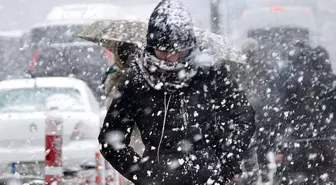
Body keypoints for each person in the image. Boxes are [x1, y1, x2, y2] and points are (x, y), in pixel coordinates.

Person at [98, 0, 256, 185]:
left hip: (209, 178)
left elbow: (243, 116)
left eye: (178, 52)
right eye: (164, 51)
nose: (171, 59)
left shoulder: (209, 72)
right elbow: (110, 140)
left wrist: (228, 160)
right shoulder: (137, 81)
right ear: (151, 47)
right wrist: (143, 174)